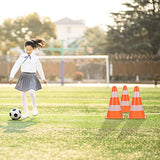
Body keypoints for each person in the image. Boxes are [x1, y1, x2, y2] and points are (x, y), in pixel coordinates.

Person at [9, 39, 47, 119]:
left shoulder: (35, 58)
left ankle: (34, 108)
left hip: (32, 76)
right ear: (24, 48)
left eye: (30, 50)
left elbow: (39, 68)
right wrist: (11, 76)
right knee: (23, 94)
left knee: (32, 92)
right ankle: (26, 112)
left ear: (33, 49)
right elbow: (16, 66)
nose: (28, 51)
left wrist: (43, 78)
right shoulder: (22, 57)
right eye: (27, 49)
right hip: (24, 76)